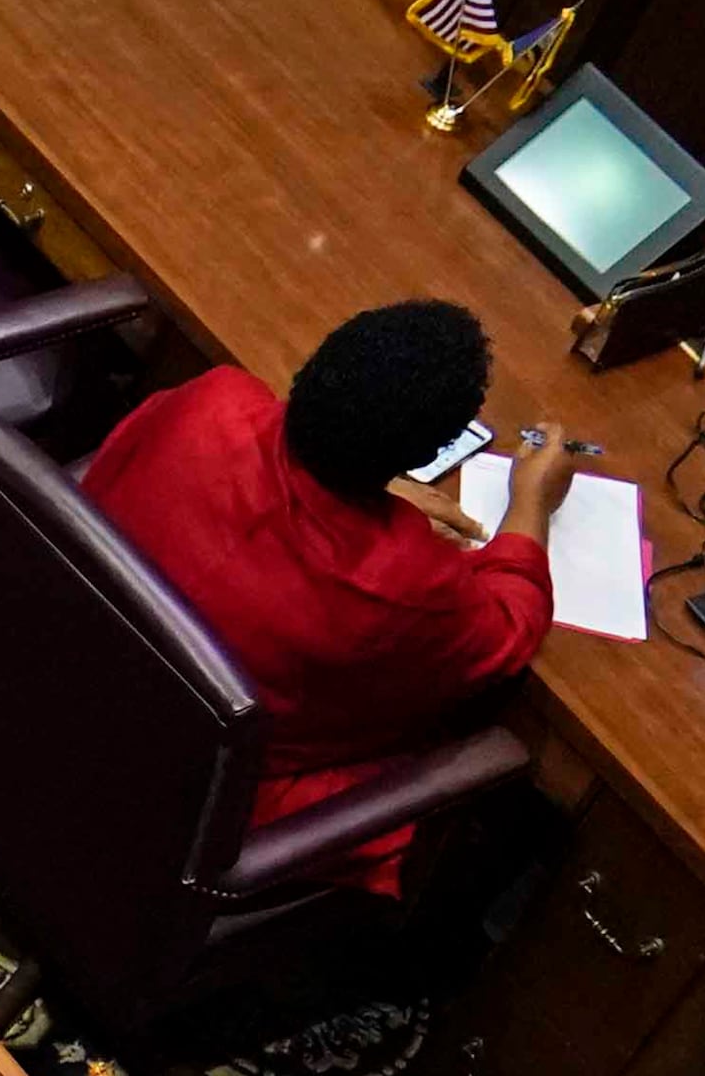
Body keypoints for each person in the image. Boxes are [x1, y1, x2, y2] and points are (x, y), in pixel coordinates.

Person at [80, 299, 563, 884]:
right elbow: (512, 624)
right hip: (174, 800)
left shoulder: (213, 399)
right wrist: (532, 499)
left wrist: (379, 498)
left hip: (62, 673)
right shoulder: (400, 581)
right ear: (426, 456)